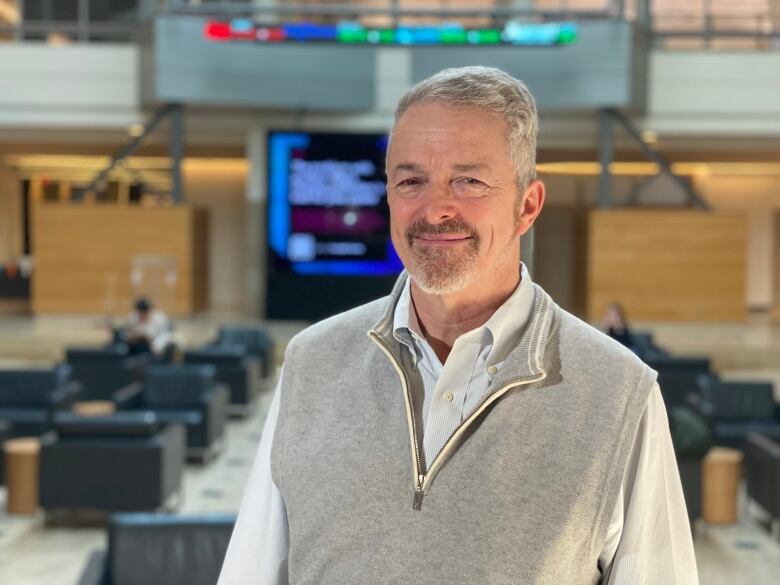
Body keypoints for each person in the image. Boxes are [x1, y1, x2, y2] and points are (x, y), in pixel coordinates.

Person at [218, 67, 698, 584]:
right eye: (410, 181)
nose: (436, 208)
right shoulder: (312, 362)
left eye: (468, 180)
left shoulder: (618, 393)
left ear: (527, 206)